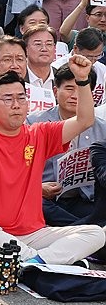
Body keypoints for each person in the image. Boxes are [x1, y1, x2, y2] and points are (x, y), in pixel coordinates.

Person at [0, 59, 106, 265]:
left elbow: (84, 121)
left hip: (32, 234)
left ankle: (34, 262)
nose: (16, 105)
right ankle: (38, 261)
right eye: (8, 99)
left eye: (21, 98)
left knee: (95, 233)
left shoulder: (39, 133)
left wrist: (82, 80)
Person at [34, 65, 106, 227]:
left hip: (85, 197)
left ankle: (79, 229)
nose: (75, 96)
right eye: (68, 88)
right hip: (45, 197)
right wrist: (38, 187)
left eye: (81, 89)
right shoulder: (34, 123)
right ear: (55, 91)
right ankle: (86, 230)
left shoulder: (102, 128)